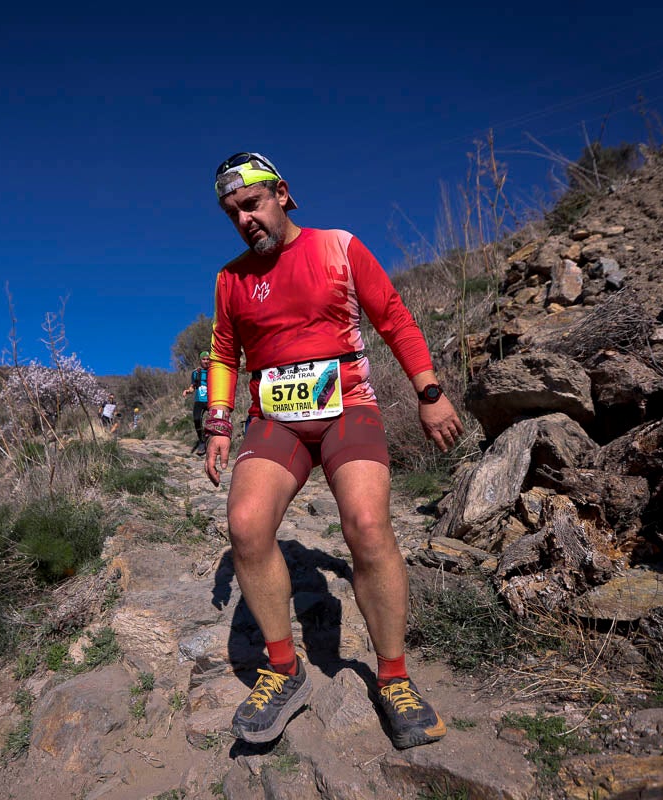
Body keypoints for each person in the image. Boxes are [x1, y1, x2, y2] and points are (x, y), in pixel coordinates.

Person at [202, 152, 463, 749]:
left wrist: (430, 391)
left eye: (252, 203)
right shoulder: (230, 279)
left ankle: (394, 677)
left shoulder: (339, 247)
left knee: (368, 526)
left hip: (348, 406)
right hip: (277, 419)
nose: (244, 219)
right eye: (231, 212)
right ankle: (284, 669)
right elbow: (223, 353)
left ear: (282, 194)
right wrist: (219, 424)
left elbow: (393, 317)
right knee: (245, 526)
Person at [182, 350, 211, 456]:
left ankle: (213, 442)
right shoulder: (196, 373)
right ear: (200, 360)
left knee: (214, 420)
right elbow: (193, 386)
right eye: (204, 359)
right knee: (196, 419)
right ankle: (202, 441)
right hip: (199, 400)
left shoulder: (214, 371)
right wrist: (187, 391)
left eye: (208, 359)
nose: (206, 361)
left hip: (211, 401)